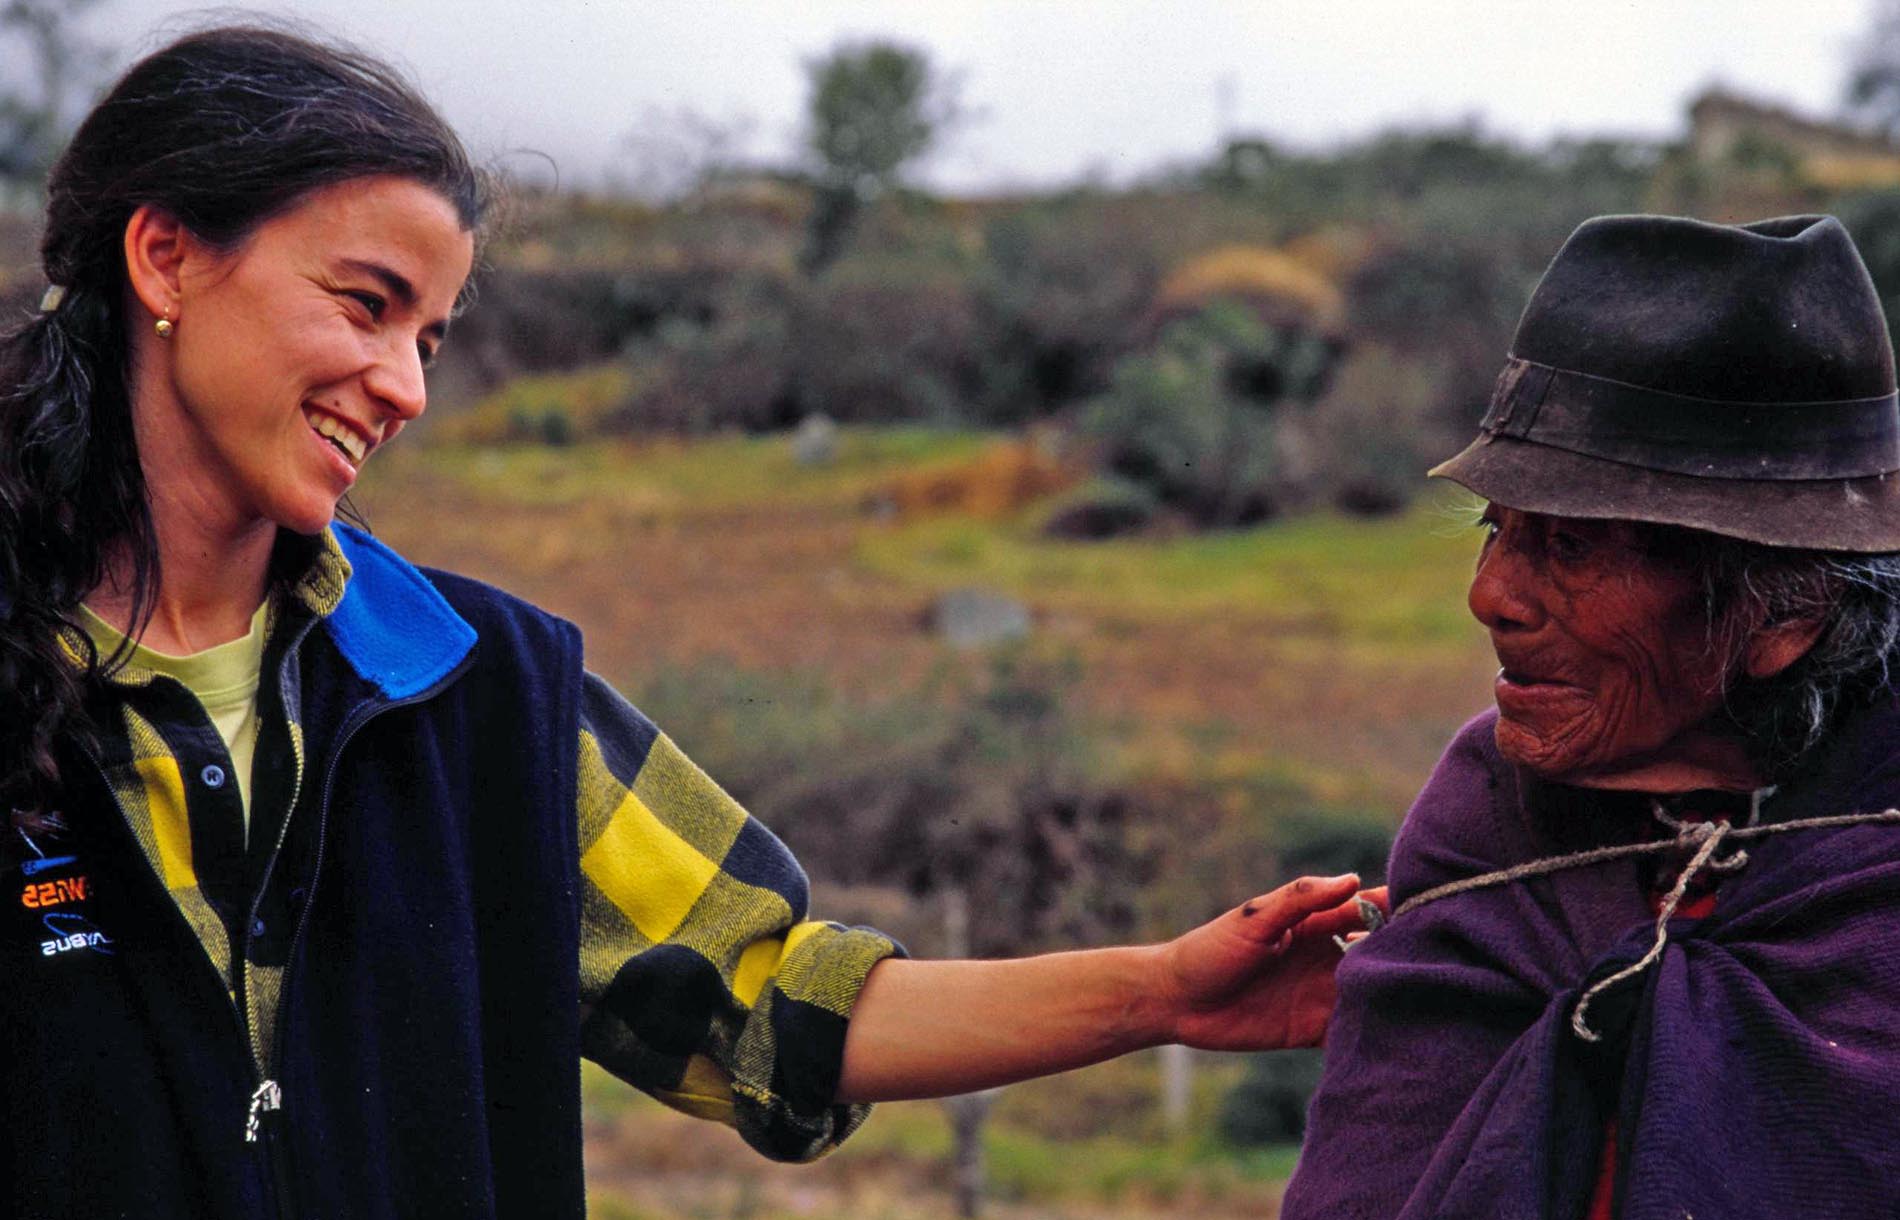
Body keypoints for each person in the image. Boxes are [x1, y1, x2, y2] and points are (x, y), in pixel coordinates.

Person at [0, 25, 1380, 1219]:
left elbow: (773, 1004)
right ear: (167, 259)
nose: (405, 387)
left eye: (429, 337)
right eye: (366, 305)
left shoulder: (476, 693)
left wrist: (1166, 994)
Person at [1280, 213, 1900, 1219]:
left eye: (1568, 545)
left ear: (1787, 613)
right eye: (1498, 530)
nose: (1492, 595)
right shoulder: (1489, 821)